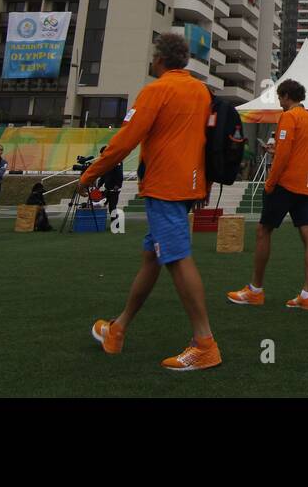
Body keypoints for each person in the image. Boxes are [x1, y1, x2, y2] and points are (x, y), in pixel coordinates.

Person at [78, 32, 220, 371]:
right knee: (151, 257)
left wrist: (89, 174)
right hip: (188, 186)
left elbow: (125, 140)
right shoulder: (201, 91)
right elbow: (207, 141)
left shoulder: (156, 90)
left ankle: (205, 344)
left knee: (176, 258)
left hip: (164, 187)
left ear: (160, 60)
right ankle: (118, 328)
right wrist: (204, 186)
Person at [227, 79, 308, 310]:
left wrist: (270, 182)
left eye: (280, 97)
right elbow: (295, 149)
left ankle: (255, 290)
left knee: (263, 231)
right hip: (305, 185)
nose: (279, 102)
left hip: (285, 184)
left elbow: (284, 156)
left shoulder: (289, 117)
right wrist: (275, 148)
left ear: (287, 96)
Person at [99, 145, 125, 228]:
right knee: (102, 204)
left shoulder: (117, 160)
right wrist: (98, 185)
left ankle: (116, 224)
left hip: (114, 189)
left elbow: (119, 175)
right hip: (107, 188)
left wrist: (117, 185)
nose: (102, 155)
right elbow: (103, 175)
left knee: (112, 207)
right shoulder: (105, 162)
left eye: (103, 153)